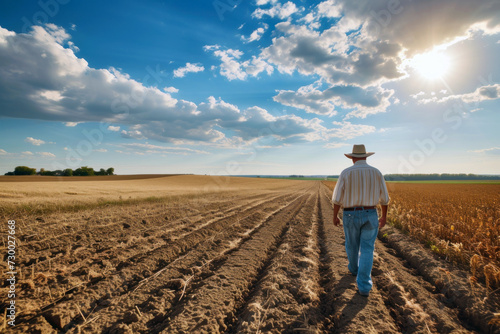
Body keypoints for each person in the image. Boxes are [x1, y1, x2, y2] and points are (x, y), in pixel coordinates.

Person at [332, 144, 389, 297]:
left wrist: (335, 216)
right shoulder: (376, 172)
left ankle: (354, 269)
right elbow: (385, 199)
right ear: (365, 156)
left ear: (352, 158)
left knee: (351, 244)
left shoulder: (346, 173)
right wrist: (383, 216)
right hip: (371, 213)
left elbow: (337, 198)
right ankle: (364, 287)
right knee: (367, 249)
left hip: (350, 214)